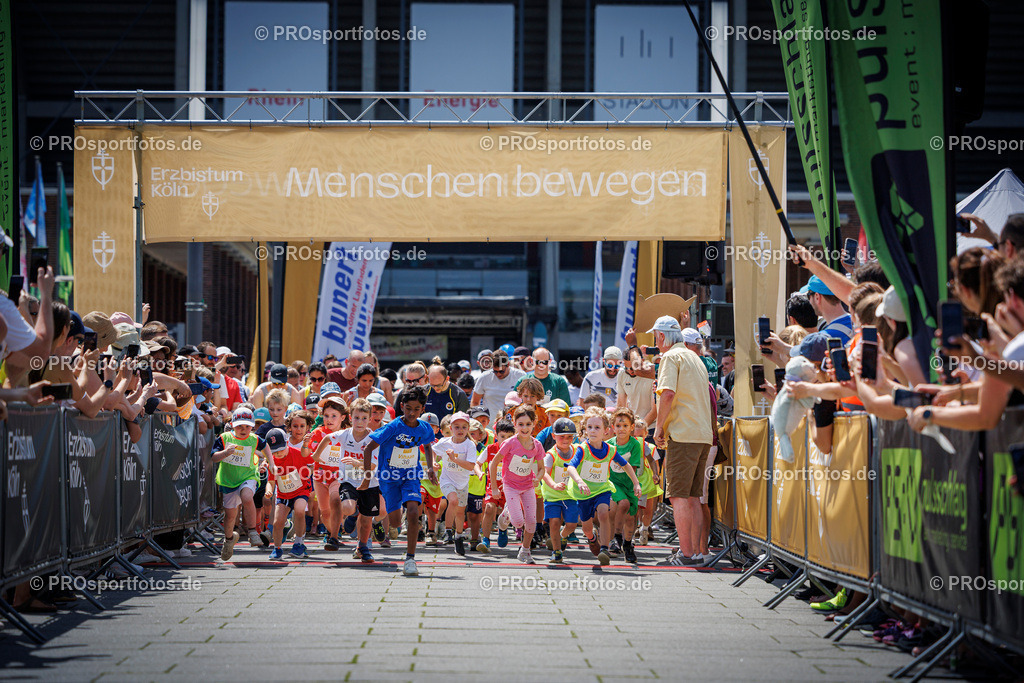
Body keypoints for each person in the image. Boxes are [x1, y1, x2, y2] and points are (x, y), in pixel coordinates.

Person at [649, 315, 714, 566]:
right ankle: (696, 553)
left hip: (683, 433)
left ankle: (686, 554)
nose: (655, 342)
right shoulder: (695, 357)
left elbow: (667, 394)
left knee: (678, 497)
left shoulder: (670, 357)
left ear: (662, 336)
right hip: (702, 434)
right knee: (693, 498)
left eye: (655, 337)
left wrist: (659, 428)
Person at [360, 385, 437, 576]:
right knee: (395, 523)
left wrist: (429, 467)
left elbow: (427, 445)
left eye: (416, 409)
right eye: (408, 408)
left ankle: (410, 559)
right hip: (389, 477)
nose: (412, 413)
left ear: (422, 410)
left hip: (411, 475)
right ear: (402, 406)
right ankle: (379, 521)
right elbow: (368, 448)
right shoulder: (393, 427)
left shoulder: (424, 427)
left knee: (413, 512)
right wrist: (368, 476)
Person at [565, 408, 641, 566]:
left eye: (597, 427)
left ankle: (604, 549)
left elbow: (625, 465)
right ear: (585, 429)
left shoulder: (610, 450)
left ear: (606, 431)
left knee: (603, 513)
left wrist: (636, 483)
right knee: (586, 527)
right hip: (584, 492)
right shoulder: (583, 449)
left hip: (602, 489)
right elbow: (571, 467)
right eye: (589, 427)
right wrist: (579, 481)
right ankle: (592, 538)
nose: (593, 430)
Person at [488, 405, 545, 564]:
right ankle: (505, 515)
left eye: (528, 424)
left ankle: (525, 551)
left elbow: (542, 468)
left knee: (531, 522)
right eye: (520, 424)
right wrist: (494, 488)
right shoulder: (510, 443)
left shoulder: (537, 445)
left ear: (534, 424)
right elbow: (493, 464)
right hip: (511, 485)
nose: (524, 428)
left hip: (528, 485)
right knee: (518, 522)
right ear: (514, 424)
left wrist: (538, 478)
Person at [213, 407, 272, 560]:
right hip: (229, 480)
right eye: (240, 426)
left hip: (248, 476)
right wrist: (225, 453)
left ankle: (252, 531)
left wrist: (271, 462)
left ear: (252, 426)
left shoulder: (254, 439)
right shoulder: (224, 438)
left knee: (247, 496)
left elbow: (265, 446)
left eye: (247, 426)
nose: (243, 429)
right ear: (233, 425)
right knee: (230, 515)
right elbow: (213, 457)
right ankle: (229, 539)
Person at [433, 411, 482, 555]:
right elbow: (433, 451)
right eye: (457, 427)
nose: (460, 430)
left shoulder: (470, 445)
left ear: (468, 429)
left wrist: (454, 459)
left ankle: (458, 536)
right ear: (451, 428)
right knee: (453, 501)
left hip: (462, 482)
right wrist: (434, 462)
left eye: (464, 427)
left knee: (460, 512)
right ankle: (448, 530)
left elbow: (470, 465)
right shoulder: (444, 442)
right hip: (447, 479)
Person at [307, 395, 349, 550]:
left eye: (334, 416)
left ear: (342, 417)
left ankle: (334, 537)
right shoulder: (317, 433)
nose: (329, 420)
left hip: (338, 476)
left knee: (335, 499)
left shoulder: (347, 434)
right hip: (320, 477)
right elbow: (309, 453)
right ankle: (333, 533)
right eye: (326, 416)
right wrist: (306, 447)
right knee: (325, 513)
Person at [265, 427, 312, 560]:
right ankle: (277, 548)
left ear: (287, 442)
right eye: (275, 451)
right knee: (277, 521)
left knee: (300, 509)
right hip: (284, 494)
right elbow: (271, 482)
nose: (278, 453)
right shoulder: (272, 462)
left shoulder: (298, 453)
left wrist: (309, 473)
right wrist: (268, 490)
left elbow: (311, 463)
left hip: (301, 489)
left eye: (281, 449)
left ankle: (299, 543)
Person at [607, 407, 644, 564]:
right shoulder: (608, 445)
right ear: (613, 427)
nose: (621, 429)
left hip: (630, 484)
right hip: (614, 483)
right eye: (618, 425)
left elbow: (633, 468)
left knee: (630, 518)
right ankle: (616, 537)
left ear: (632, 427)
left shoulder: (634, 445)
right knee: (623, 503)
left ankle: (628, 544)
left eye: (625, 426)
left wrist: (635, 485)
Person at [541, 417, 580, 564]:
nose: (565, 440)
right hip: (553, 495)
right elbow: (544, 473)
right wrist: (553, 485)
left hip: (571, 495)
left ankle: (563, 536)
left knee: (572, 524)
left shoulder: (577, 450)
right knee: (555, 522)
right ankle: (556, 551)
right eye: (561, 436)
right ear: (553, 436)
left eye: (569, 437)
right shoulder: (550, 455)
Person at [477, 419, 515, 551]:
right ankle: (485, 540)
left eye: (509, 437)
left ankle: (503, 530)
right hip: (492, 486)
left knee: (507, 514)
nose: (505, 440)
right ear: (496, 435)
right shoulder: (490, 449)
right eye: (502, 436)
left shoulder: (516, 450)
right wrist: (479, 472)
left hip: (510, 487)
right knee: (489, 508)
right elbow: (477, 463)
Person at [471, 349, 525, 423]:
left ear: (508, 364)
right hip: (490, 425)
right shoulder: (484, 377)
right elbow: (475, 402)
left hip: (515, 425)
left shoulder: (521, 376)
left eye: (501, 371)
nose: (498, 374)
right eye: (495, 371)